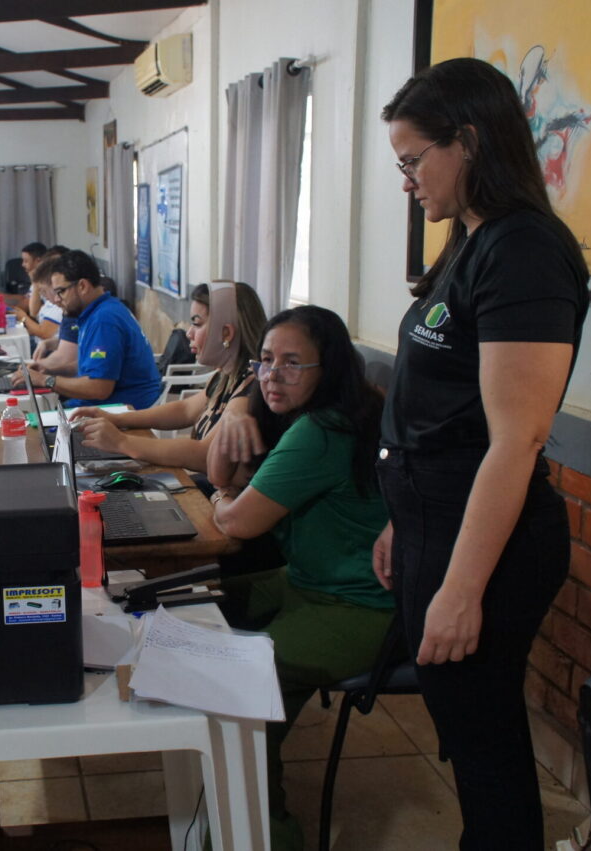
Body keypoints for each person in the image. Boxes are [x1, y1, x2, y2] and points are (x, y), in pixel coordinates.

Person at [376, 57, 589, 849]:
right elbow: (443, 407)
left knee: (486, 737)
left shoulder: (524, 250)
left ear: (466, 141)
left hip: (489, 544)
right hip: (439, 522)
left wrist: (463, 586)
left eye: (412, 161)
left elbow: (517, 438)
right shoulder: (469, 243)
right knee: (467, 727)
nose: (407, 182)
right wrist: (404, 519)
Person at [206, 305, 393, 851]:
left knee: (236, 683)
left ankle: (270, 834)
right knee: (197, 602)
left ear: (328, 368)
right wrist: (238, 410)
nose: (272, 375)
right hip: (307, 583)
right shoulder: (318, 414)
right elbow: (221, 469)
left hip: (357, 609)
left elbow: (235, 520)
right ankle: (226, 791)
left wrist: (222, 499)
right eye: (264, 361)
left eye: (292, 363)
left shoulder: (322, 429)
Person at [69, 280, 264, 471]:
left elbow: (203, 454)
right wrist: (117, 419)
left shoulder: (250, 388)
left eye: (197, 324)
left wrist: (122, 442)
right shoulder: (225, 376)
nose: (189, 333)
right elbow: (185, 410)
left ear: (226, 333)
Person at [19, 250, 161, 409]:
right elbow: (90, 367)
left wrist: (45, 380)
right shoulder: (97, 311)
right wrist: (48, 369)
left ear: (82, 286)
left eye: (61, 292)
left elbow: (99, 388)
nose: (57, 299)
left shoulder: (104, 320)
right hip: (108, 405)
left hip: (123, 409)